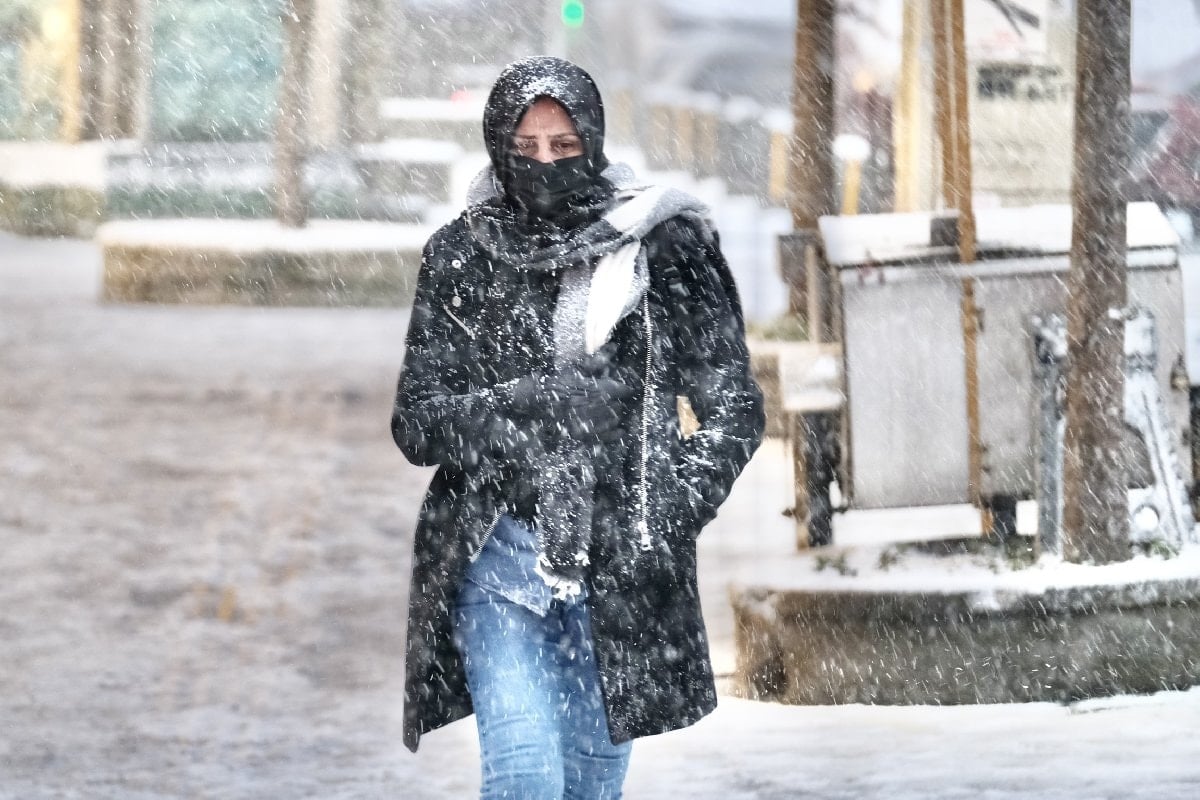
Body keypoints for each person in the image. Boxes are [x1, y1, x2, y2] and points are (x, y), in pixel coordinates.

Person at [391, 55, 765, 799]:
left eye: (563, 148)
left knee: (591, 787)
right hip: (497, 570)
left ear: (590, 141)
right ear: (499, 147)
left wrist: (669, 508)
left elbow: (732, 407)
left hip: (622, 576)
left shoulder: (664, 245)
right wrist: (529, 403)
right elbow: (419, 424)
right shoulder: (463, 254)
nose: (544, 166)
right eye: (525, 150)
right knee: (526, 777)